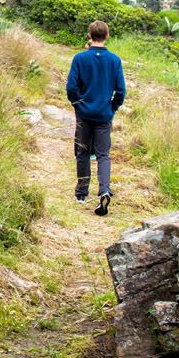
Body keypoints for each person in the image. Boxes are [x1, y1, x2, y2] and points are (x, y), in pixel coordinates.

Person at [65, 20, 126, 216]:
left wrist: (78, 105)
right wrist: (112, 108)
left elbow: (71, 88)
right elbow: (121, 91)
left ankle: (82, 192)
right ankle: (104, 190)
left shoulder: (80, 59)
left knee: (82, 152)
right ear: (107, 36)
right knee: (103, 154)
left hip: (84, 113)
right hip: (104, 114)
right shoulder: (115, 61)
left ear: (89, 36)